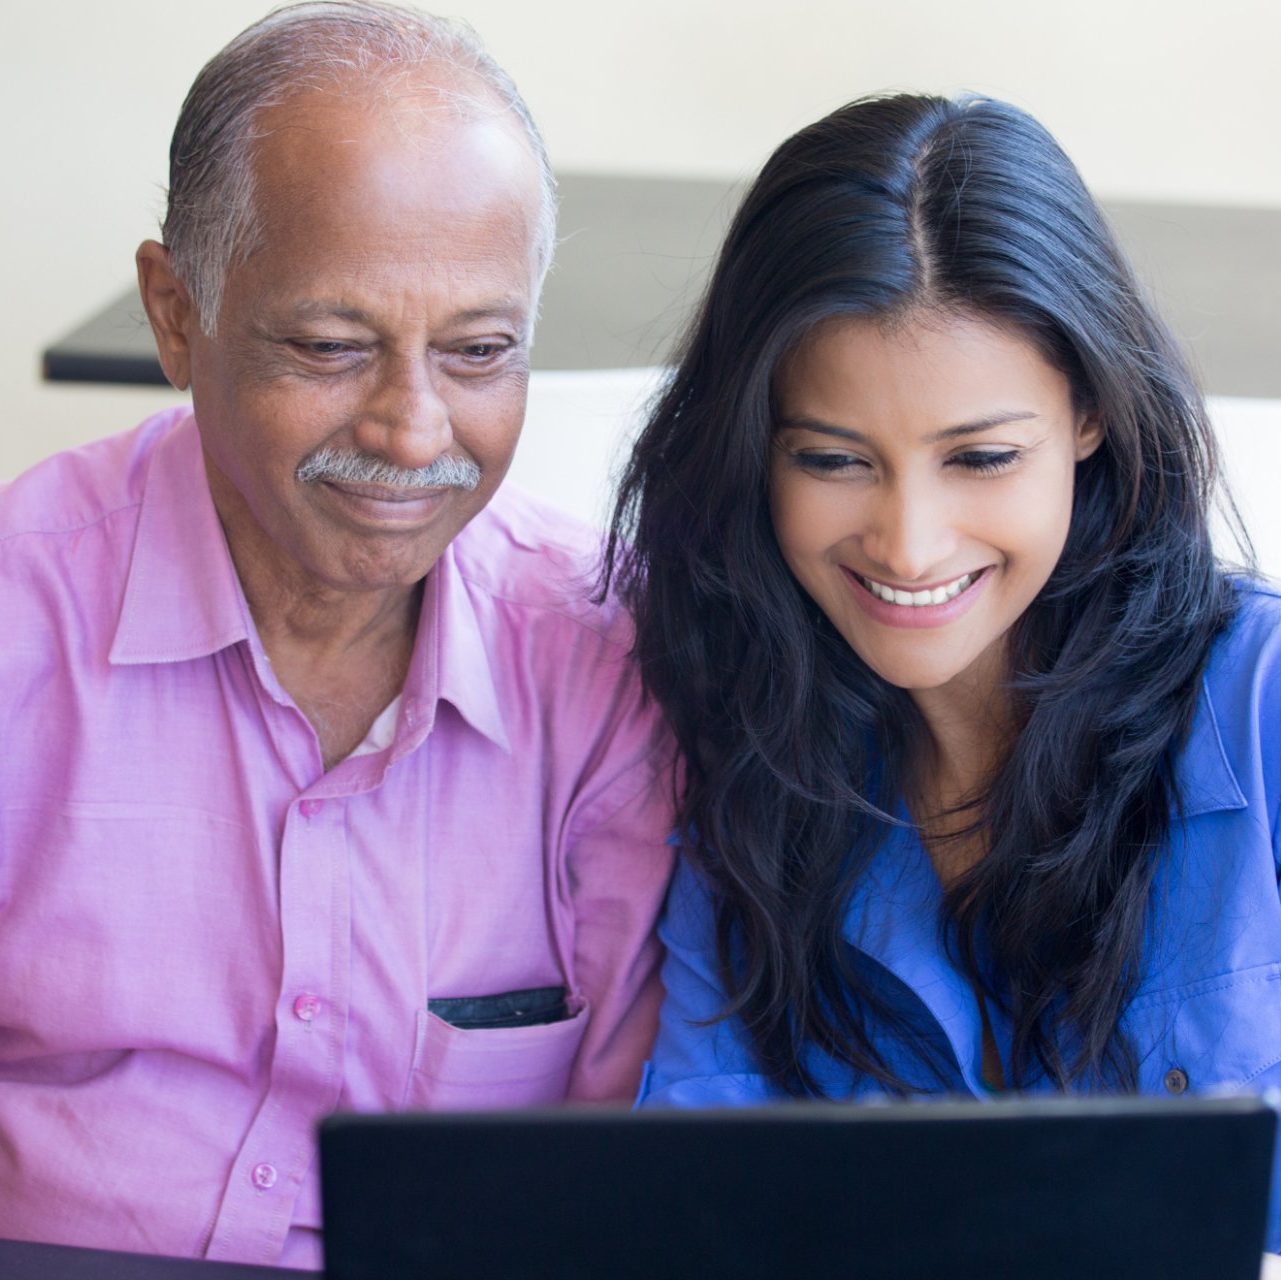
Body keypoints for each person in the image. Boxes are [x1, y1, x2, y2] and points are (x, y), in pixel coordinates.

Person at [0, 2, 672, 1268]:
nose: (414, 431)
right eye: (329, 345)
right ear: (176, 313)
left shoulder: (611, 667)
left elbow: (631, 1169)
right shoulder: (17, 624)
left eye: (479, 351)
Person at [607, 92, 1281, 1253]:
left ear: (1089, 417)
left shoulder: (1259, 704)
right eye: (831, 458)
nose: (910, 545)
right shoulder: (743, 751)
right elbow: (703, 1208)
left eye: (981, 456)